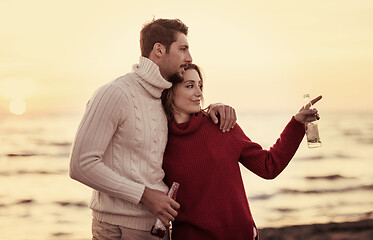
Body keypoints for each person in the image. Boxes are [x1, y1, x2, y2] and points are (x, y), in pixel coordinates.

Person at [69, 19, 236, 240]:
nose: (190, 58)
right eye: (183, 49)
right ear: (159, 50)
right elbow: (81, 165)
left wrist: (215, 107)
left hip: (158, 229)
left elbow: (186, 112)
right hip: (118, 229)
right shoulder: (115, 93)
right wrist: (144, 195)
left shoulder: (162, 99)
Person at [161, 64, 322, 240]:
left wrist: (297, 124)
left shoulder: (222, 125)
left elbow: (269, 166)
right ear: (169, 90)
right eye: (189, 86)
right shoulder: (158, 139)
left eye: (200, 85)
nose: (199, 93)